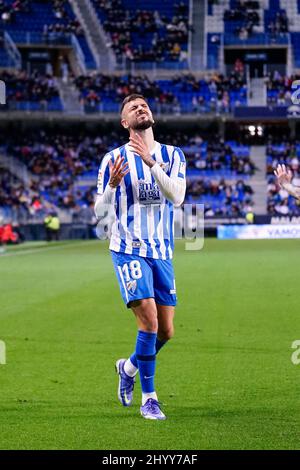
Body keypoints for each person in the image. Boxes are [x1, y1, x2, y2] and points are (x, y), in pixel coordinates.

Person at [94, 94, 186, 420]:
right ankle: (150, 398)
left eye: (144, 105)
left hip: (161, 252)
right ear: (124, 122)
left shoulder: (173, 155)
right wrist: (112, 186)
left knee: (166, 331)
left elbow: (176, 196)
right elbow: (98, 211)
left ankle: (129, 367)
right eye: (132, 108)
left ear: (152, 116)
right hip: (127, 248)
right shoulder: (112, 159)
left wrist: (150, 162)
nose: (140, 108)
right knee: (148, 320)